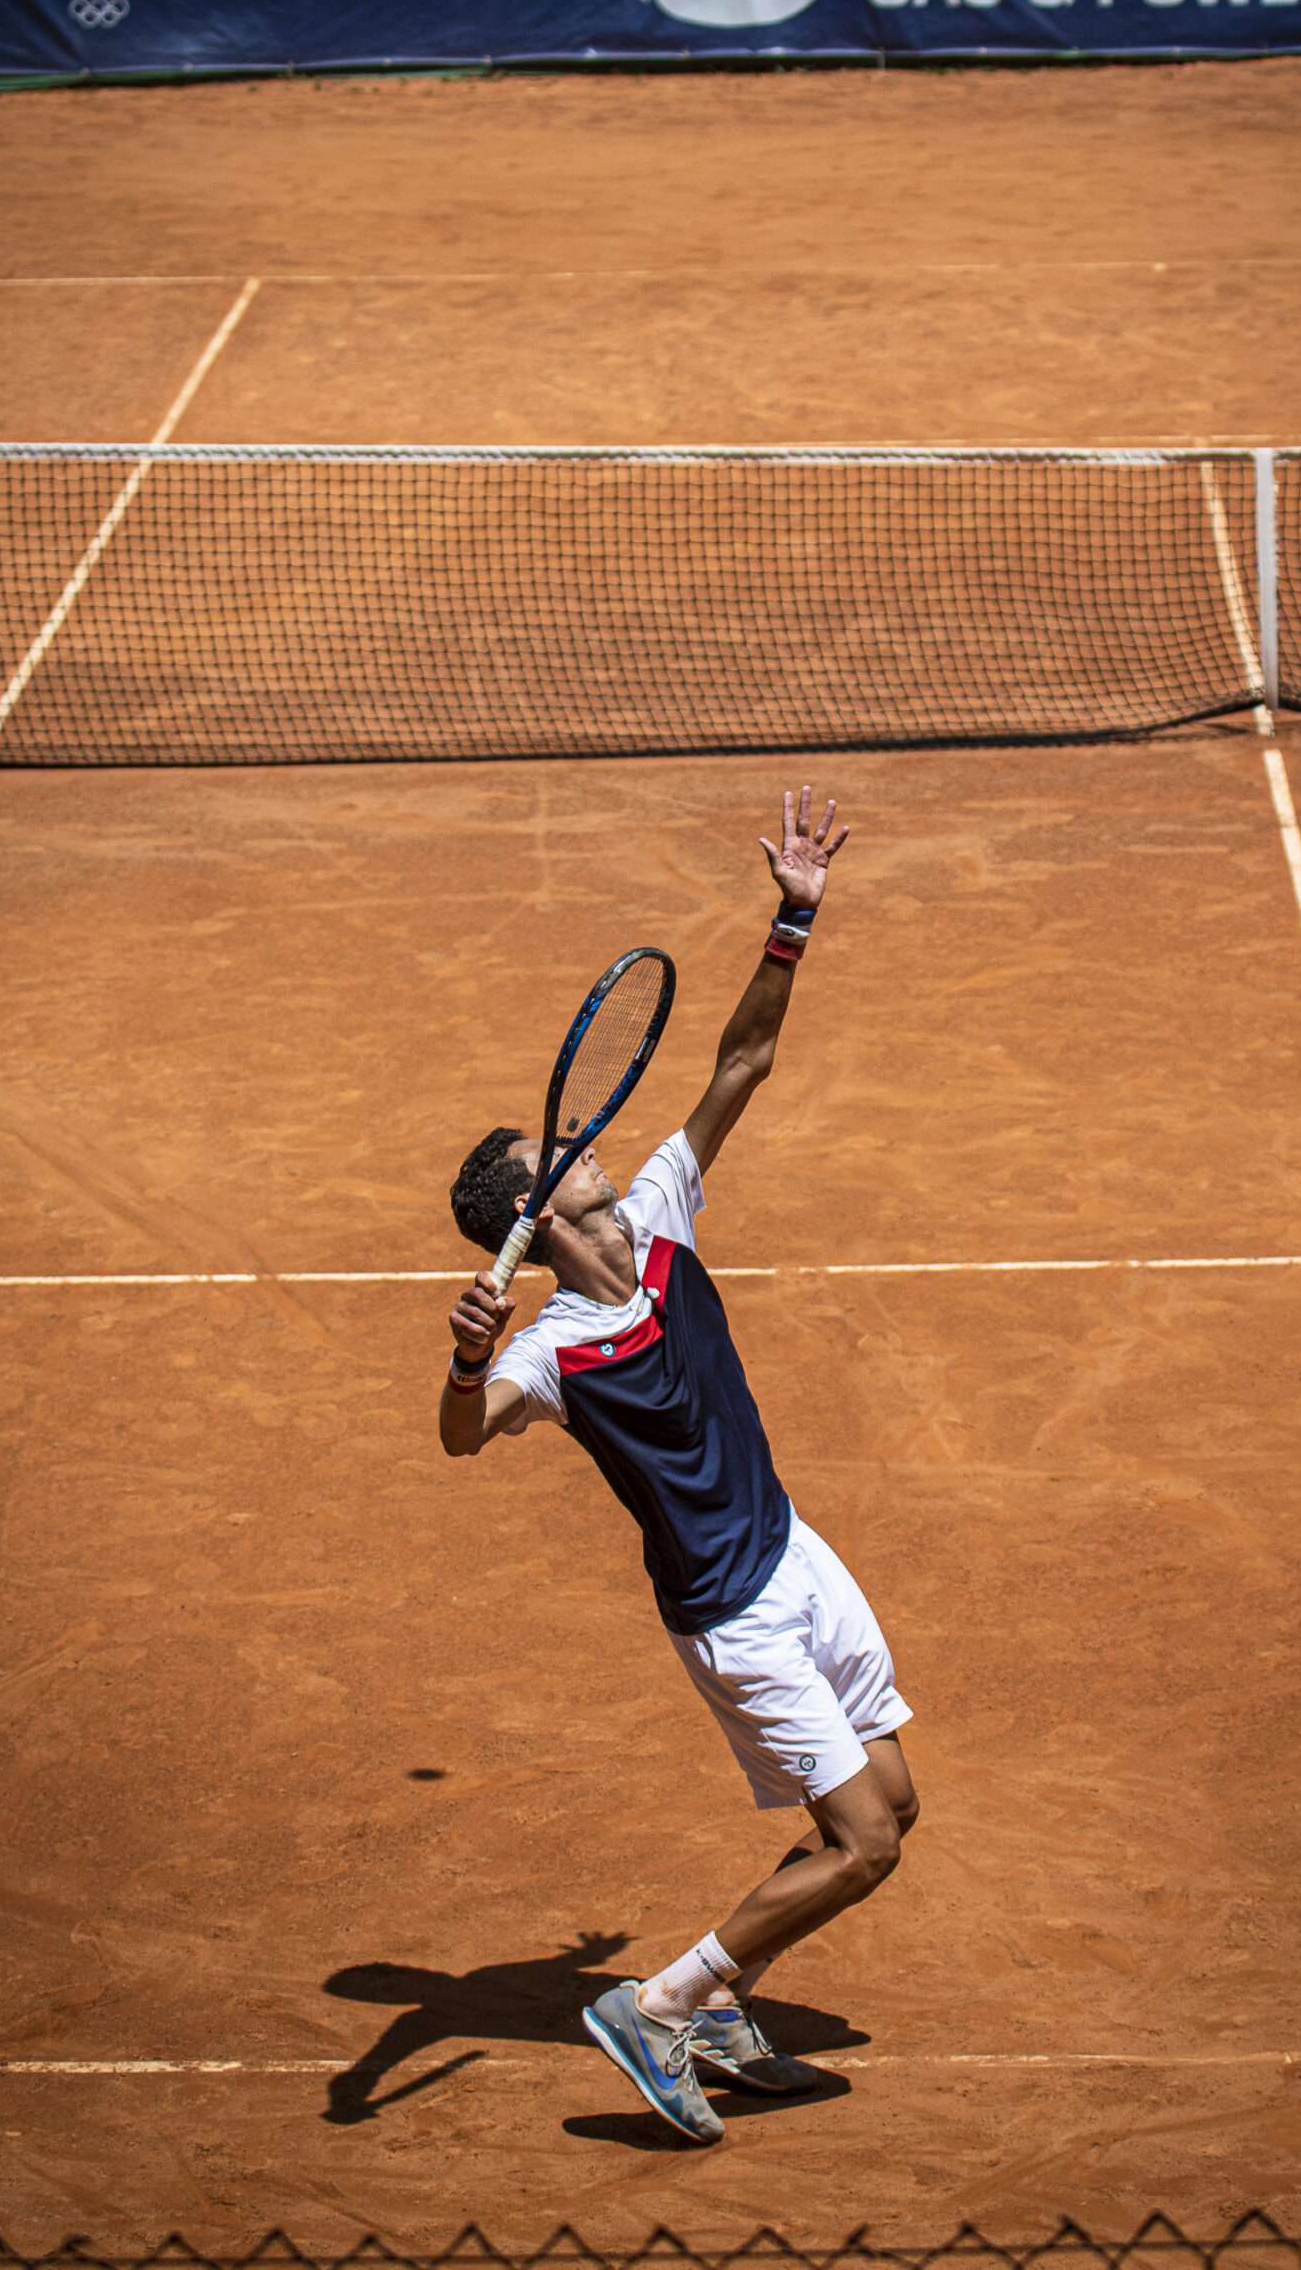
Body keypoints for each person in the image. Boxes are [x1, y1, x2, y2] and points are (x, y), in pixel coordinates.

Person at [441, 786, 917, 2146]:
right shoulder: (551, 1347)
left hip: (794, 1548)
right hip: (732, 1609)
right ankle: (661, 2001)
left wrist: (792, 919)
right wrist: (469, 1359)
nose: (586, 1151)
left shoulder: (658, 1212)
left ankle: (714, 2004)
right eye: (559, 1160)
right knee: (860, 1847)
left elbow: (740, 1068)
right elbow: (463, 1439)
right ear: (532, 1218)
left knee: (892, 1806)